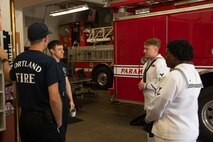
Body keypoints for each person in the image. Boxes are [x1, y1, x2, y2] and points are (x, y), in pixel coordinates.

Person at [10, 22, 64, 142]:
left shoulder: (18, 59)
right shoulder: (49, 62)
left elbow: (15, 92)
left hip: (25, 119)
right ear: (45, 39)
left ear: (29, 39)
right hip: (44, 120)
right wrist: (59, 121)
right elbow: (54, 97)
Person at [145, 40, 203, 142]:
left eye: (167, 54)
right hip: (190, 133)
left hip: (170, 135)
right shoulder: (195, 73)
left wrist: (148, 118)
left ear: (174, 56)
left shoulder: (173, 76)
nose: (165, 57)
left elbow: (159, 105)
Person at [137, 38, 169, 141]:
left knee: (155, 131)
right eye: (144, 48)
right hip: (148, 102)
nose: (144, 51)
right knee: (149, 131)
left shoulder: (160, 63)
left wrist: (145, 85)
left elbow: (163, 84)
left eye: (147, 48)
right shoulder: (148, 62)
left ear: (155, 49)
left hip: (156, 103)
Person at [47, 40, 75, 134]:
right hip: (55, 98)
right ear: (52, 51)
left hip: (64, 99)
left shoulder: (63, 65)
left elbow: (67, 83)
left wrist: (71, 99)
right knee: (55, 127)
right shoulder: (48, 65)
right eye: (59, 49)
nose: (63, 51)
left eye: (62, 49)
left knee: (64, 126)